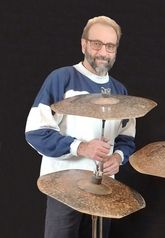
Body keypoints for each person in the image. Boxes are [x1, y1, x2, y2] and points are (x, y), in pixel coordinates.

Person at [25, 16, 136, 238]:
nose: (103, 52)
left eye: (110, 46)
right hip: (63, 185)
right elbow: (36, 132)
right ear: (83, 44)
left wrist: (118, 157)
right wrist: (81, 147)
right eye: (97, 44)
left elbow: (127, 139)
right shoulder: (62, 79)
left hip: (105, 187)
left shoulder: (121, 91)